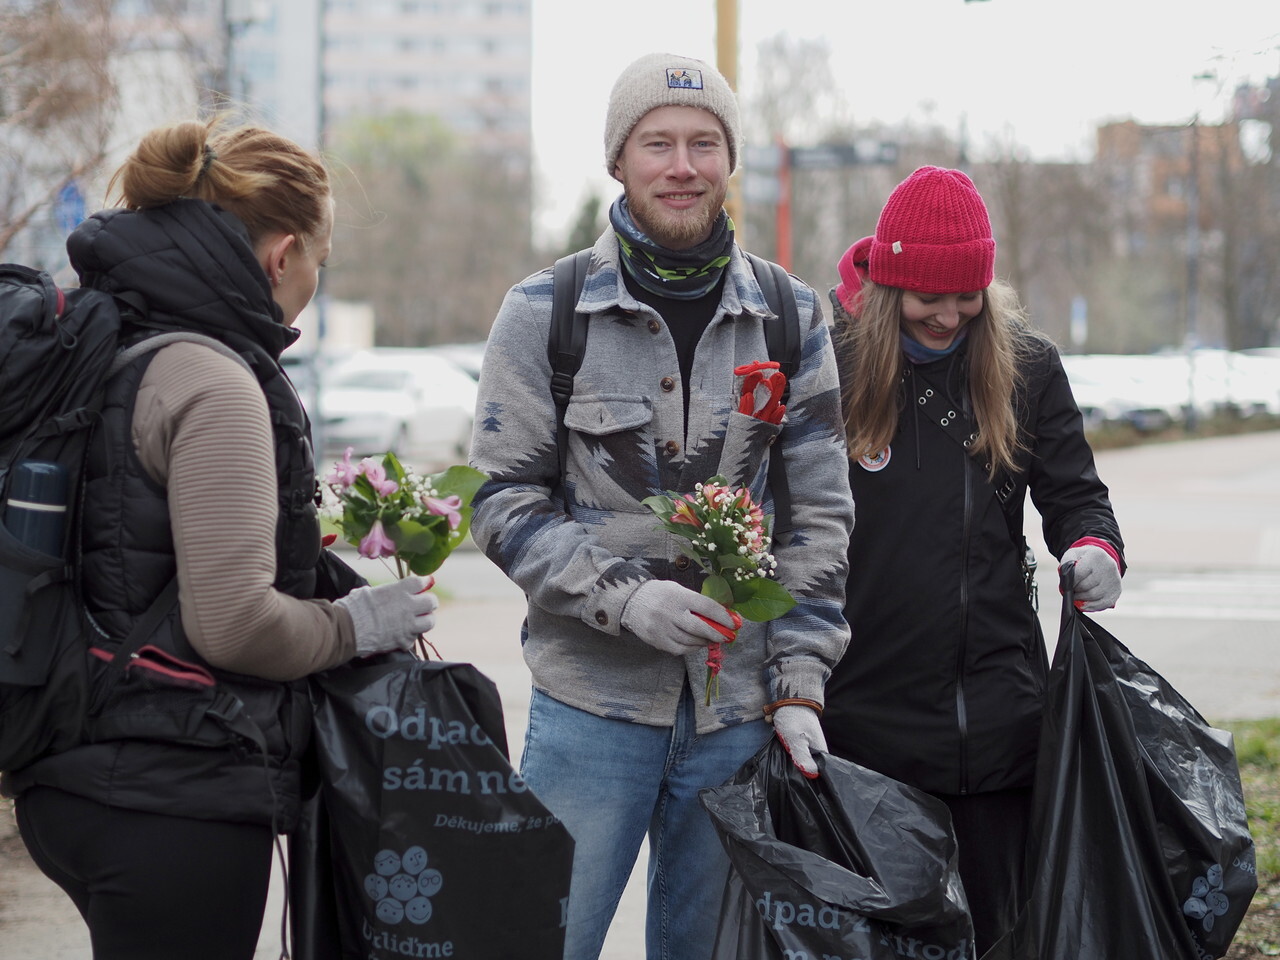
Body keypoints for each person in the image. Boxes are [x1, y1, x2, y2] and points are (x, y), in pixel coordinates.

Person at [2, 118, 439, 960]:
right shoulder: (213, 380)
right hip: (174, 795)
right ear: (282, 257)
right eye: (321, 258)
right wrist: (361, 624)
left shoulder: (108, 337)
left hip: (68, 771)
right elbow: (234, 624)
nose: (315, 278)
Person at [468, 52, 854, 960]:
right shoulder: (544, 314)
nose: (683, 165)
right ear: (619, 161)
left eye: (705, 143)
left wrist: (801, 684)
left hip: (740, 718)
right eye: (658, 144)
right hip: (590, 709)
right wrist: (624, 596)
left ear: (729, 160)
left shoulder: (791, 319)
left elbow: (819, 520)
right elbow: (499, 498)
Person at [821, 165, 1126, 954]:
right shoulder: (831, 367)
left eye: (967, 297)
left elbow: (1076, 497)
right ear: (890, 287)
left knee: (1001, 937)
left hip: (998, 730)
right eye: (928, 298)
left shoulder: (1027, 368)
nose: (949, 315)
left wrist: (1095, 550)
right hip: (866, 732)